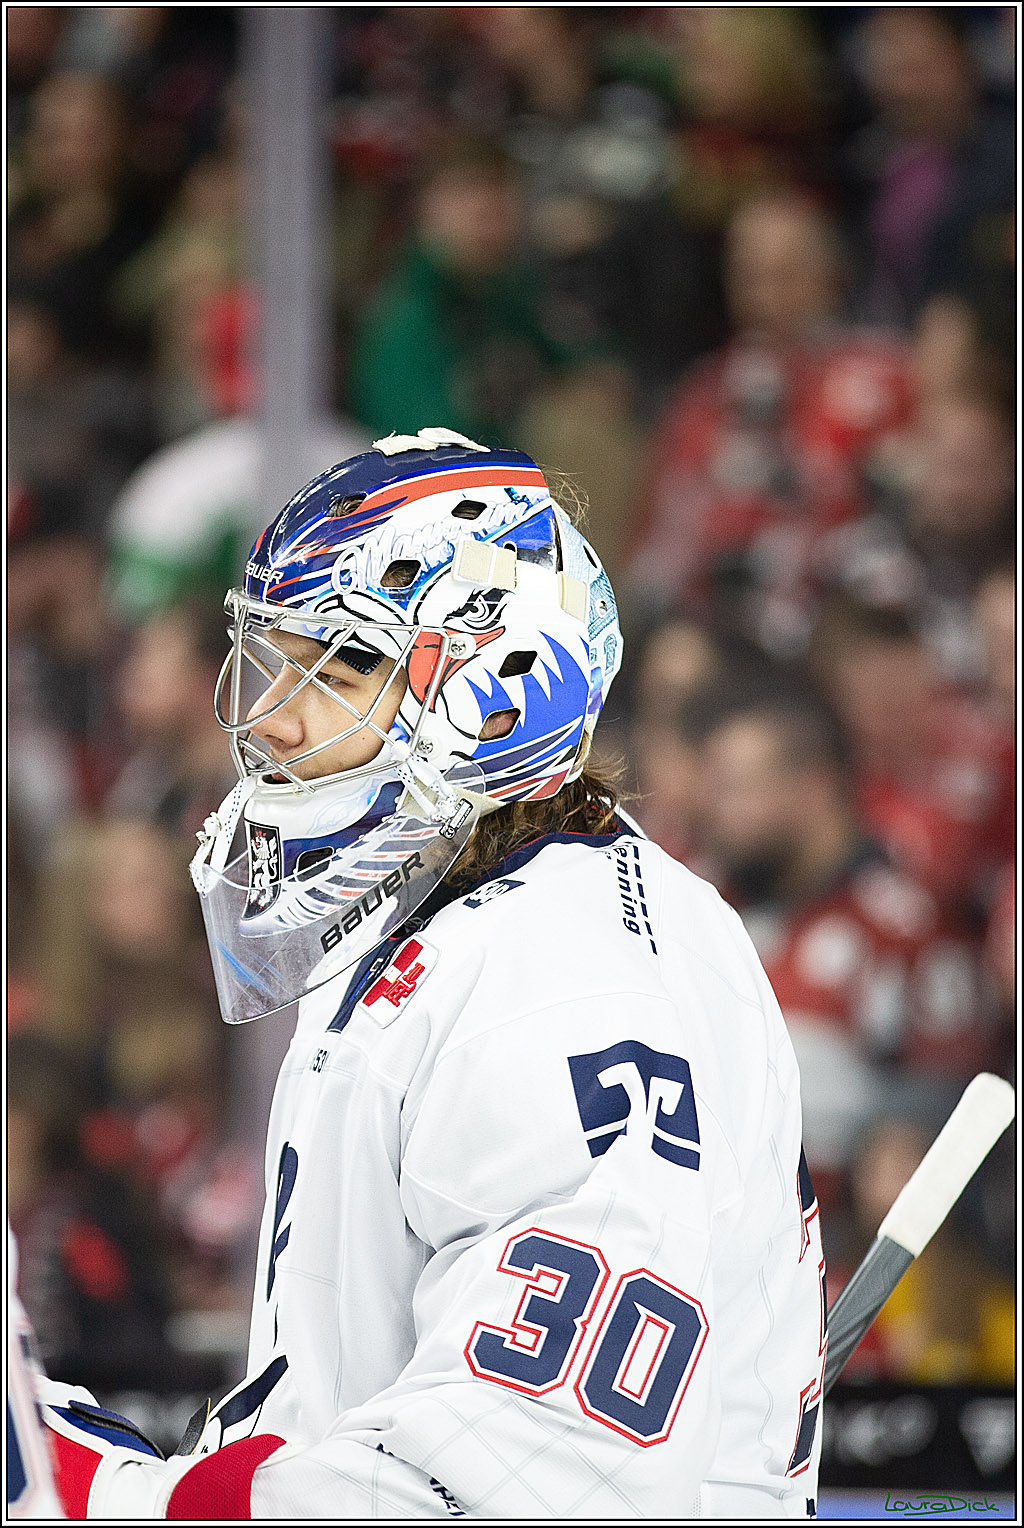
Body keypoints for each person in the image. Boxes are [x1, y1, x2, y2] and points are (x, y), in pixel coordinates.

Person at [39, 429, 825, 1518]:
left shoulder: (563, 984)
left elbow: (531, 1479)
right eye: (275, 661)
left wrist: (121, 1498)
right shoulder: (480, 915)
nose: (274, 718)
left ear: (495, 695)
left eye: (337, 670)